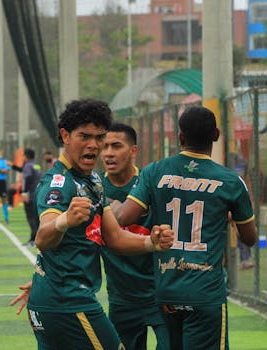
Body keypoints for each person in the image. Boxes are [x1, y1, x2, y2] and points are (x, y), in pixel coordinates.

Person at [9, 98, 174, 349]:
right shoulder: (59, 183)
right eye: (84, 136)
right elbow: (42, 238)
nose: (94, 145)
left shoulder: (93, 181)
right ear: (65, 135)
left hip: (59, 299)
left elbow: (115, 238)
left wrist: (151, 243)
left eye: (99, 138)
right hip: (69, 302)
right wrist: (64, 220)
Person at [112, 106, 257, 350]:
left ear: (180, 138)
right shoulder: (231, 181)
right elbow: (250, 238)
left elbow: (125, 217)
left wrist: (114, 205)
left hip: (168, 291)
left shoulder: (154, 171)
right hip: (205, 294)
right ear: (216, 135)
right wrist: (229, 219)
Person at [99, 122, 169, 349]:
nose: (108, 153)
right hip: (122, 297)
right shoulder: (94, 188)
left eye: (116, 146)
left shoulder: (153, 183)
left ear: (133, 151)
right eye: (105, 146)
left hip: (160, 294)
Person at [21, 148, 41, 248]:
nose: (22, 157)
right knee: (36, 217)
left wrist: (25, 193)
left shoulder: (27, 166)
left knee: (31, 217)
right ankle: (34, 238)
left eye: (23, 155)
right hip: (37, 194)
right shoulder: (36, 165)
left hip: (30, 195)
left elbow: (27, 178)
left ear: (27, 156)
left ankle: (34, 239)